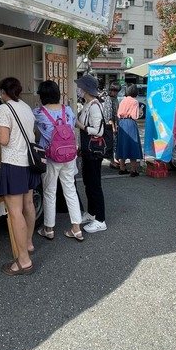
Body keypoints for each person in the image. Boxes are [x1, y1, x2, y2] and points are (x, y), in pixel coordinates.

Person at [0, 77, 39, 275]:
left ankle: (23, 261)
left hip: (13, 164)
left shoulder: (4, 108)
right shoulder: (26, 107)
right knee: (28, 205)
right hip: (29, 163)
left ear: (3, 92)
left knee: (15, 212)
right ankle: (28, 244)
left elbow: (3, 140)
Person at [33, 80, 84, 242]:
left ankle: (49, 228)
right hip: (69, 155)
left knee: (49, 191)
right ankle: (76, 228)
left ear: (42, 96)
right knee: (70, 190)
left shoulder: (39, 113)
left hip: (50, 157)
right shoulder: (67, 110)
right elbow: (75, 124)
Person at [75, 73, 108, 233]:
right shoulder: (88, 104)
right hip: (88, 150)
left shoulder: (94, 106)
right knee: (89, 183)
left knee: (95, 185)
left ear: (86, 89)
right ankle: (91, 213)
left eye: (80, 87)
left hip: (94, 152)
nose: (78, 90)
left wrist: (79, 125)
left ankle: (100, 220)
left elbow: (98, 131)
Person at [116, 83, 143, 177]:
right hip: (130, 123)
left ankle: (122, 168)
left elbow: (118, 113)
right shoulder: (135, 101)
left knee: (122, 145)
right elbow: (135, 116)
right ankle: (133, 170)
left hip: (122, 123)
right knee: (133, 145)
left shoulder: (122, 101)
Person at [103, 82, 121, 170]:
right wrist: (113, 127)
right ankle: (112, 161)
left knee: (115, 143)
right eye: (115, 91)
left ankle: (115, 159)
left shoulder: (115, 99)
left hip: (116, 123)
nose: (116, 93)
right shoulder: (108, 99)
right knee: (112, 143)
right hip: (111, 125)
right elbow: (108, 115)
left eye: (117, 92)